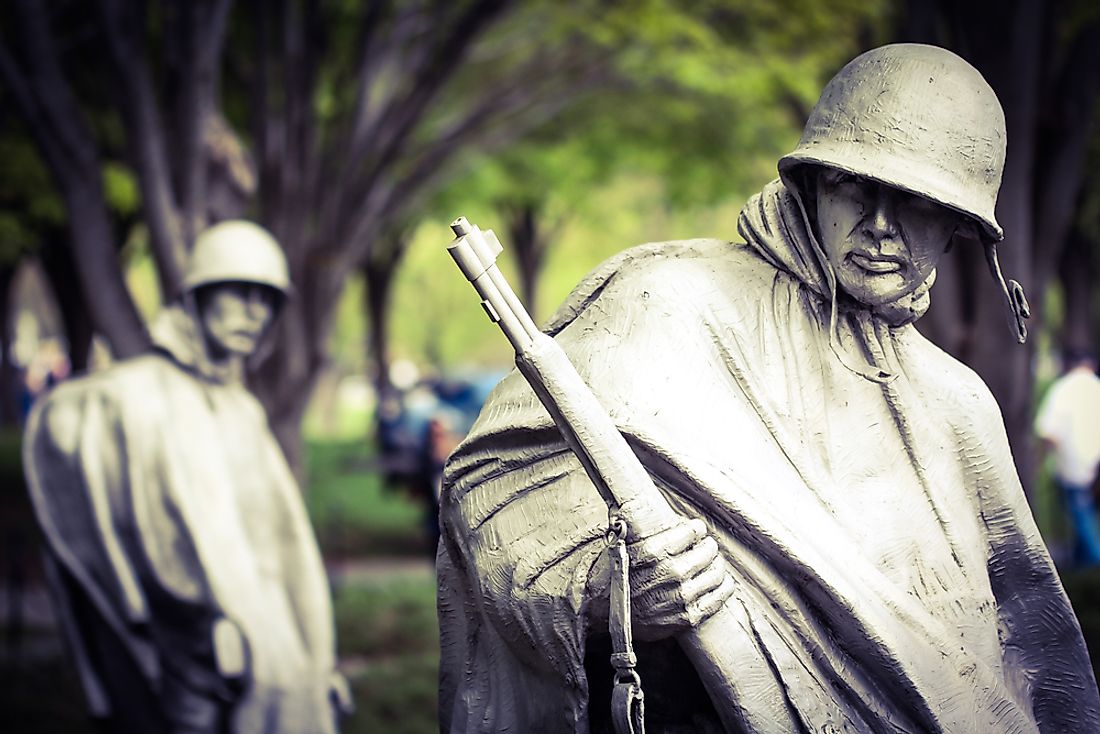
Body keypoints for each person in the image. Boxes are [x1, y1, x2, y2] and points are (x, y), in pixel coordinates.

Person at [436, 44, 1100, 733]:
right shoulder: (663, 302)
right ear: (811, 186)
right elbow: (492, 500)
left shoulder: (958, 405)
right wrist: (610, 588)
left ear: (961, 229)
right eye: (852, 187)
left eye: (916, 202)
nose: (879, 224)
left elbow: (1023, 649)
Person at [23, 221, 349, 733]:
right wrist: (193, 625)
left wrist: (318, 654)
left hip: (274, 639)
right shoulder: (133, 397)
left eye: (266, 300)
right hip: (189, 648)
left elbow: (286, 545)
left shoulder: (243, 411)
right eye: (238, 293)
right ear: (197, 296)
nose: (254, 312)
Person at [1035, 348, 1100, 566]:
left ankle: (1093, 569)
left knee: (1082, 523)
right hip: (1096, 467)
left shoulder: (1062, 389)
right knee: (1086, 522)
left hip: (1073, 467)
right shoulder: (1097, 388)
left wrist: (1045, 459)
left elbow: (1049, 431)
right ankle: (1085, 572)